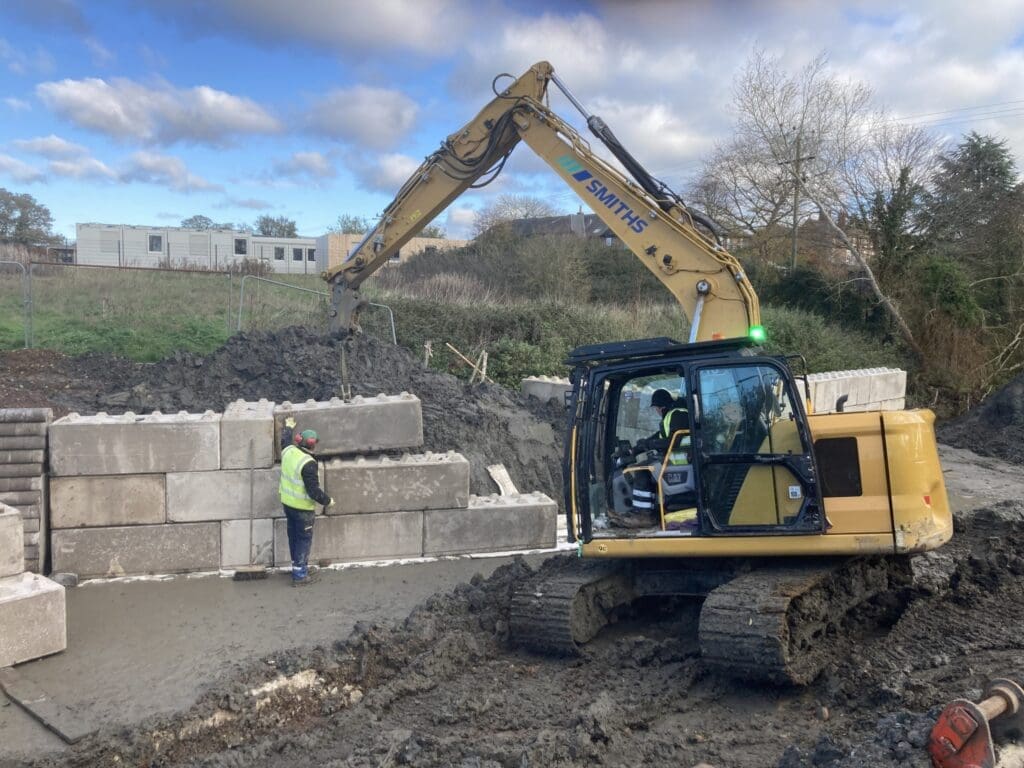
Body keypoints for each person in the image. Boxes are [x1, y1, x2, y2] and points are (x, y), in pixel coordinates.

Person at [280, 417, 333, 586]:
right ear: (312, 444)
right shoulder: (308, 463)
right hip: (302, 509)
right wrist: (328, 501)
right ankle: (300, 576)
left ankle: (297, 567)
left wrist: (288, 427)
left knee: (294, 537)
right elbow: (313, 492)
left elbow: (285, 440)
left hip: (288, 505)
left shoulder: (288, 451)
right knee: (303, 539)